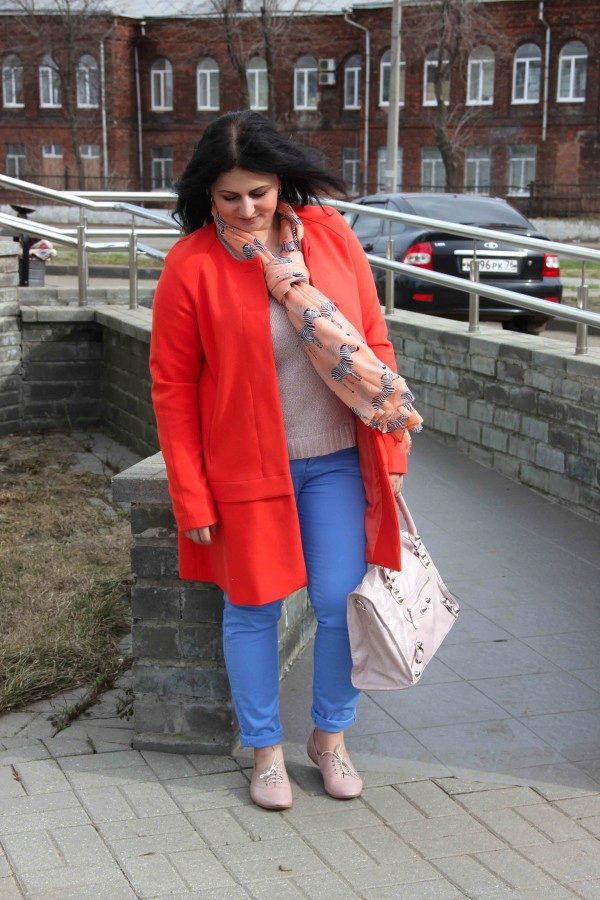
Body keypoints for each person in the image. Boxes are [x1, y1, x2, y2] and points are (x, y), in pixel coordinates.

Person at [149, 110, 420, 811]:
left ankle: (329, 738)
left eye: (259, 193)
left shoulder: (328, 235)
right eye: (230, 196)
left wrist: (391, 441)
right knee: (252, 606)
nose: (247, 209)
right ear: (207, 194)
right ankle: (265, 751)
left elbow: (373, 339)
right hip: (245, 468)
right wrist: (191, 494)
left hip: (336, 460)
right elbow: (173, 386)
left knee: (339, 602)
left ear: (281, 184)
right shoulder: (191, 264)